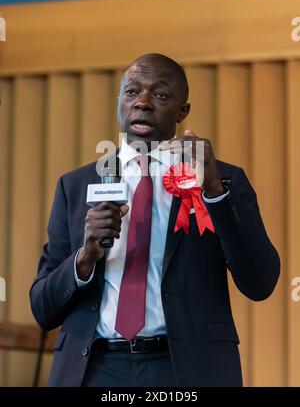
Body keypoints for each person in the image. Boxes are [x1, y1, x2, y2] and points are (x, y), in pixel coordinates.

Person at [30, 53, 280, 387]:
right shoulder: (75, 186)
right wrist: (85, 257)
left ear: (183, 112)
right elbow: (43, 309)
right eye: (132, 92)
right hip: (94, 370)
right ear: (119, 101)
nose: (143, 102)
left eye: (160, 95)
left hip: (185, 370)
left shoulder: (221, 180)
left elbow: (260, 282)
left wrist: (215, 191)